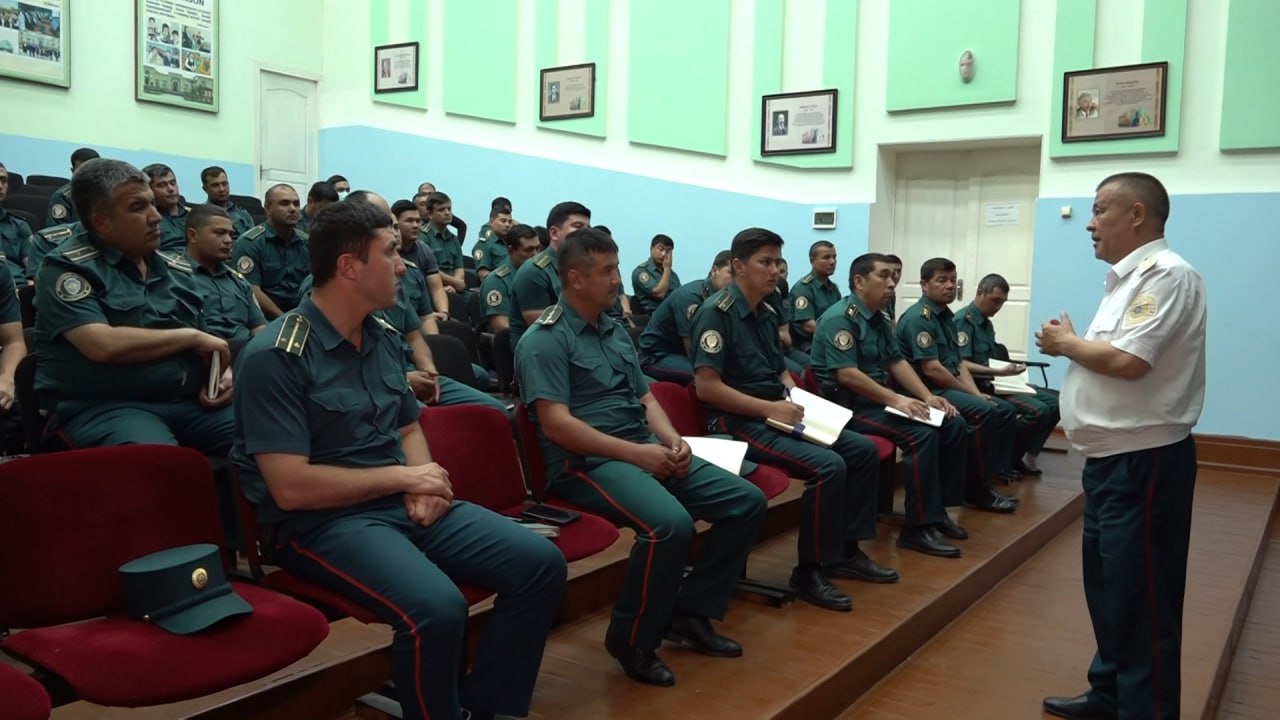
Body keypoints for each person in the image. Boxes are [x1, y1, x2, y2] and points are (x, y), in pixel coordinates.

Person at [233, 199, 565, 720]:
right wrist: (407, 478)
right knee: (437, 608)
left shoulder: (382, 335)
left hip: (398, 500)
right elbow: (291, 487)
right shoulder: (277, 355)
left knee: (540, 565)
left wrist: (422, 485)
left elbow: (408, 426)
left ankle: (491, 708)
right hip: (322, 523)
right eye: (390, 252)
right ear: (349, 266)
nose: (405, 266)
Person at [517, 227, 765, 687]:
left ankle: (689, 613)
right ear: (576, 278)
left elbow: (645, 397)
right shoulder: (544, 339)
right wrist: (638, 454)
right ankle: (632, 639)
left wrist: (672, 441)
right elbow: (557, 426)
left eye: (616, 269)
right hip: (584, 463)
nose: (617, 280)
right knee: (670, 525)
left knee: (746, 501)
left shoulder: (613, 330)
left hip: (642, 447)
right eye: (607, 272)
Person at [1038, 172, 1206, 720]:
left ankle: (1146, 710)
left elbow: (1130, 363)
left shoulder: (1167, 275)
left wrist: (1067, 344)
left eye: (1099, 210)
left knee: (1144, 597)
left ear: (1136, 215)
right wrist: (1074, 345)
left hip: (1145, 462)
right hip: (1111, 460)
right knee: (1110, 588)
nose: (1089, 224)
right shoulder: (1124, 282)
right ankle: (1110, 694)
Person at [692, 228, 891, 613]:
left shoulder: (767, 311)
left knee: (861, 449)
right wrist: (770, 408)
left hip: (775, 410)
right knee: (829, 466)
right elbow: (707, 389)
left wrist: (798, 398)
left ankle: (845, 552)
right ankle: (810, 571)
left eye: (778, 262)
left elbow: (779, 370)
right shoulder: (717, 313)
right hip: (736, 420)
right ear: (738, 266)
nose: (775, 271)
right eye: (765, 262)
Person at [34, 159, 233, 452]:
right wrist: (191, 337)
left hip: (191, 402)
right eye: (138, 207)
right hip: (109, 407)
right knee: (162, 466)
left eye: (153, 203)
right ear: (102, 222)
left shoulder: (176, 269)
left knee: (278, 439)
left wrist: (222, 375)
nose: (156, 217)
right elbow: (101, 344)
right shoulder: (66, 268)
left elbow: (208, 343)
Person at [810, 253, 967, 557]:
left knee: (952, 423)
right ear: (859, 281)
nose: (892, 282)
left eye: (893, 276)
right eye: (883, 276)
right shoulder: (840, 318)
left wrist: (926, 396)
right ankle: (917, 529)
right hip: (846, 406)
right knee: (922, 435)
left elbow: (896, 361)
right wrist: (896, 399)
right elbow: (847, 374)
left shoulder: (879, 318)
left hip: (875, 401)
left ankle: (936, 511)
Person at [895, 257, 1018, 513]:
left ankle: (982, 481)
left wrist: (975, 393)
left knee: (994, 407)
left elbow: (958, 363)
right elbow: (933, 370)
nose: (950, 286)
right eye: (942, 280)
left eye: (953, 280)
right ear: (924, 285)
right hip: (926, 390)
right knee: (985, 412)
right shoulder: (919, 318)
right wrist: (971, 396)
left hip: (945, 387)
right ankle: (976, 489)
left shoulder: (945, 317)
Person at [955, 273, 1060, 474]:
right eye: (995, 300)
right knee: (1038, 411)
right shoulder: (964, 321)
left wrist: (1013, 372)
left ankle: (1022, 454)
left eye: (1002, 302)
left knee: (1057, 403)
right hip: (980, 386)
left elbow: (990, 358)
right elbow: (962, 364)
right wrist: (999, 372)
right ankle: (1006, 458)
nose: (998, 307)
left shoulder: (986, 323)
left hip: (999, 381)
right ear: (980, 293)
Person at [636, 250, 732, 383]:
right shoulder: (691, 297)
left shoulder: (723, 298)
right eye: (731, 273)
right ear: (714, 271)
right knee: (707, 378)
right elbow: (691, 346)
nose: (736, 280)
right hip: (657, 355)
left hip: (680, 353)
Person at [509, 201, 590, 353]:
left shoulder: (581, 269)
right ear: (554, 233)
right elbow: (543, 329)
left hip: (580, 344)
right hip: (544, 352)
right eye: (578, 227)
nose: (585, 234)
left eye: (588, 228)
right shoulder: (534, 271)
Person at [184, 204, 265, 352]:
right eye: (219, 233)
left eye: (230, 234)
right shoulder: (174, 277)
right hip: (200, 355)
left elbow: (259, 327)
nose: (228, 240)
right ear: (193, 235)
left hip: (246, 354)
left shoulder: (239, 281)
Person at [231, 184, 309, 319]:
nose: (292, 209)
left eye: (296, 204)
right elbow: (252, 290)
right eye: (284, 203)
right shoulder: (249, 243)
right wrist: (284, 319)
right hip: (264, 317)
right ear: (267, 208)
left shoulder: (307, 242)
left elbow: (316, 284)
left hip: (302, 314)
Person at [479, 224, 540, 334]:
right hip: (518, 340)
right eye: (528, 250)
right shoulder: (496, 281)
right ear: (511, 250)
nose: (535, 255)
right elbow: (502, 327)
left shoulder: (541, 275)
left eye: (537, 249)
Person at [789, 241, 841, 353]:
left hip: (830, 341)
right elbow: (808, 326)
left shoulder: (833, 289)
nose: (832, 262)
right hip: (809, 345)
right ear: (812, 261)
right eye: (826, 258)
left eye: (834, 257)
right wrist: (837, 337)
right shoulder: (803, 288)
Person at [417, 192, 467, 295]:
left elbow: (459, 268)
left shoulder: (453, 239)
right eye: (441, 210)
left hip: (453, 288)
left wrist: (453, 285)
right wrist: (455, 283)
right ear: (430, 214)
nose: (447, 213)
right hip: (431, 289)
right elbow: (429, 270)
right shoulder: (423, 237)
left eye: (449, 209)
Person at [142, 163, 190, 254]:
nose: (171, 189)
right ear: (149, 190)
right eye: (162, 185)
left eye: (173, 183)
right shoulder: (147, 221)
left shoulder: (193, 215)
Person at [45, 147, 99, 227]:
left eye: (92, 171)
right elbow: (56, 230)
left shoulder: (108, 193)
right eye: (82, 171)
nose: (88, 175)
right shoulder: (63, 197)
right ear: (72, 171)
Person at [200, 166, 255, 239]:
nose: (222, 189)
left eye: (224, 184)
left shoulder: (242, 214)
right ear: (205, 189)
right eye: (215, 185)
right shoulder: (200, 216)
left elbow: (254, 241)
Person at [631, 234, 681, 315]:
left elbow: (680, 295)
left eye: (668, 251)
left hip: (674, 313)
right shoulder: (641, 271)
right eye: (661, 249)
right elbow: (659, 294)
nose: (664, 254)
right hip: (654, 315)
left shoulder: (673, 275)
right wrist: (667, 268)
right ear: (651, 249)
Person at [0, 162, 33, 285]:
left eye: (4, 181)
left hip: (17, 287)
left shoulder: (19, 226)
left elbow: (32, 268)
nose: (0, 186)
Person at [471, 197, 513, 282]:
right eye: (503, 221)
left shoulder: (510, 243)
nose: (507, 225)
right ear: (491, 222)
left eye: (510, 222)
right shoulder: (484, 244)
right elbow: (483, 275)